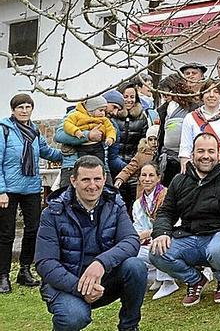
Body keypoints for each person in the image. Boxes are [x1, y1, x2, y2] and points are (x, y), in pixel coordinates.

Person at [35, 156, 147, 331]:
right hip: (66, 284)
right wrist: (80, 288)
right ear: (73, 181)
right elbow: (45, 263)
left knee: (136, 266)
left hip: (103, 279)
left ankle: (129, 327)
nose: (92, 185)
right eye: (86, 179)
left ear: (104, 179)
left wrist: (101, 263)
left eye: (97, 179)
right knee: (74, 317)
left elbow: (131, 241)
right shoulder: (52, 213)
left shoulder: (115, 204)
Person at [149, 133, 220, 308]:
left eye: (210, 151)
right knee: (156, 252)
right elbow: (166, 212)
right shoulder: (179, 180)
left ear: (219, 155)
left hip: (218, 237)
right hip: (189, 238)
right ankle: (195, 280)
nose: (206, 156)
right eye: (200, 151)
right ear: (192, 154)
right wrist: (161, 232)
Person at [0, 94, 62, 293]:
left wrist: (70, 153)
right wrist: (1, 190)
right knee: (6, 233)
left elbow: (47, 152)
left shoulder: (34, 131)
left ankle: (25, 270)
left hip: (31, 188)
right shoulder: (4, 130)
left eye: (28, 107)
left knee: (33, 229)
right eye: (21, 107)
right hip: (9, 189)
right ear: (13, 109)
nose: (24, 110)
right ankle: (3, 275)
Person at [131, 162, 178, 300]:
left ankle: (169, 282)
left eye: (151, 175)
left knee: (159, 242)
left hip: (170, 238)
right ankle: (157, 277)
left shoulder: (167, 196)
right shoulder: (138, 203)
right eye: (143, 175)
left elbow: (175, 223)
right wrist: (139, 236)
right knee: (132, 250)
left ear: (158, 178)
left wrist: (151, 233)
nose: (147, 179)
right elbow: (138, 226)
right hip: (148, 240)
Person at [179, 80, 220, 165]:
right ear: (202, 95)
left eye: (216, 92)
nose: (211, 95)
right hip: (200, 165)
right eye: (208, 91)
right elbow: (185, 146)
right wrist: (185, 165)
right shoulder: (190, 118)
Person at [155, 74, 199, 187]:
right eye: (162, 95)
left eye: (167, 93)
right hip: (168, 158)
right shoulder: (164, 109)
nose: (165, 97)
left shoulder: (193, 108)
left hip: (187, 158)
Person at [113, 125, 160, 199]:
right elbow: (130, 167)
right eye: (150, 139)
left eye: (156, 139)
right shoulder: (141, 154)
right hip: (143, 192)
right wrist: (120, 178)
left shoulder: (163, 155)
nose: (154, 142)